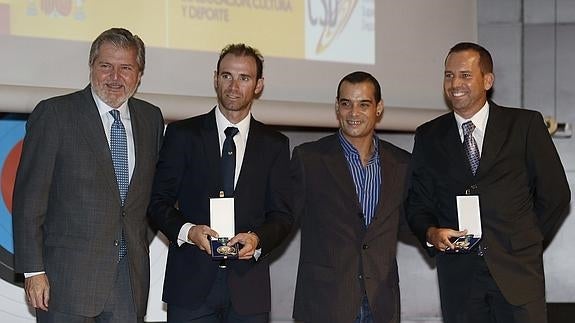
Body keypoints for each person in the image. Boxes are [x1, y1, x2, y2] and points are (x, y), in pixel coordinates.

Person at [407, 42, 570, 323]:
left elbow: (555, 194)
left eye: (465, 75)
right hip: (460, 280)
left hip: (518, 276)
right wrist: (431, 233)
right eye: (448, 75)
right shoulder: (429, 136)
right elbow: (417, 202)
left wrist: (524, 240)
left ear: (488, 80)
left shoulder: (525, 125)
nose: (455, 83)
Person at [12, 27, 165, 322]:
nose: (115, 77)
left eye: (126, 68)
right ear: (92, 66)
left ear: (139, 74)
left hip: (128, 283)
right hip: (65, 282)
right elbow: (29, 199)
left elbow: (142, 201)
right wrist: (33, 270)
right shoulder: (55, 114)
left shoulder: (151, 118)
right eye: (106, 66)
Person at [148, 43, 293, 322]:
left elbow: (283, 215)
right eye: (227, 76)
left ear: (259, 85)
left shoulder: (274, 145)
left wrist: (257, 238)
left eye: (244, 78)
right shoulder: (182, 135)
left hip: (249, 290)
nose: (234, 86)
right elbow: (157, 202)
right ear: (215, 78)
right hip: (190, 286)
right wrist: (189, 232)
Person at [291, 71, 411, 323]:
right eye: (346, 104)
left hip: (382, 303)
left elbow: (409, 224)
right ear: (337, 107)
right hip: (325, 303)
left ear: (379, 108)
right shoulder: (309, 159)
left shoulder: (402, 163)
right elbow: (283, 217)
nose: (354, 113)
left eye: (363, 104)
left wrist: (436, 232)